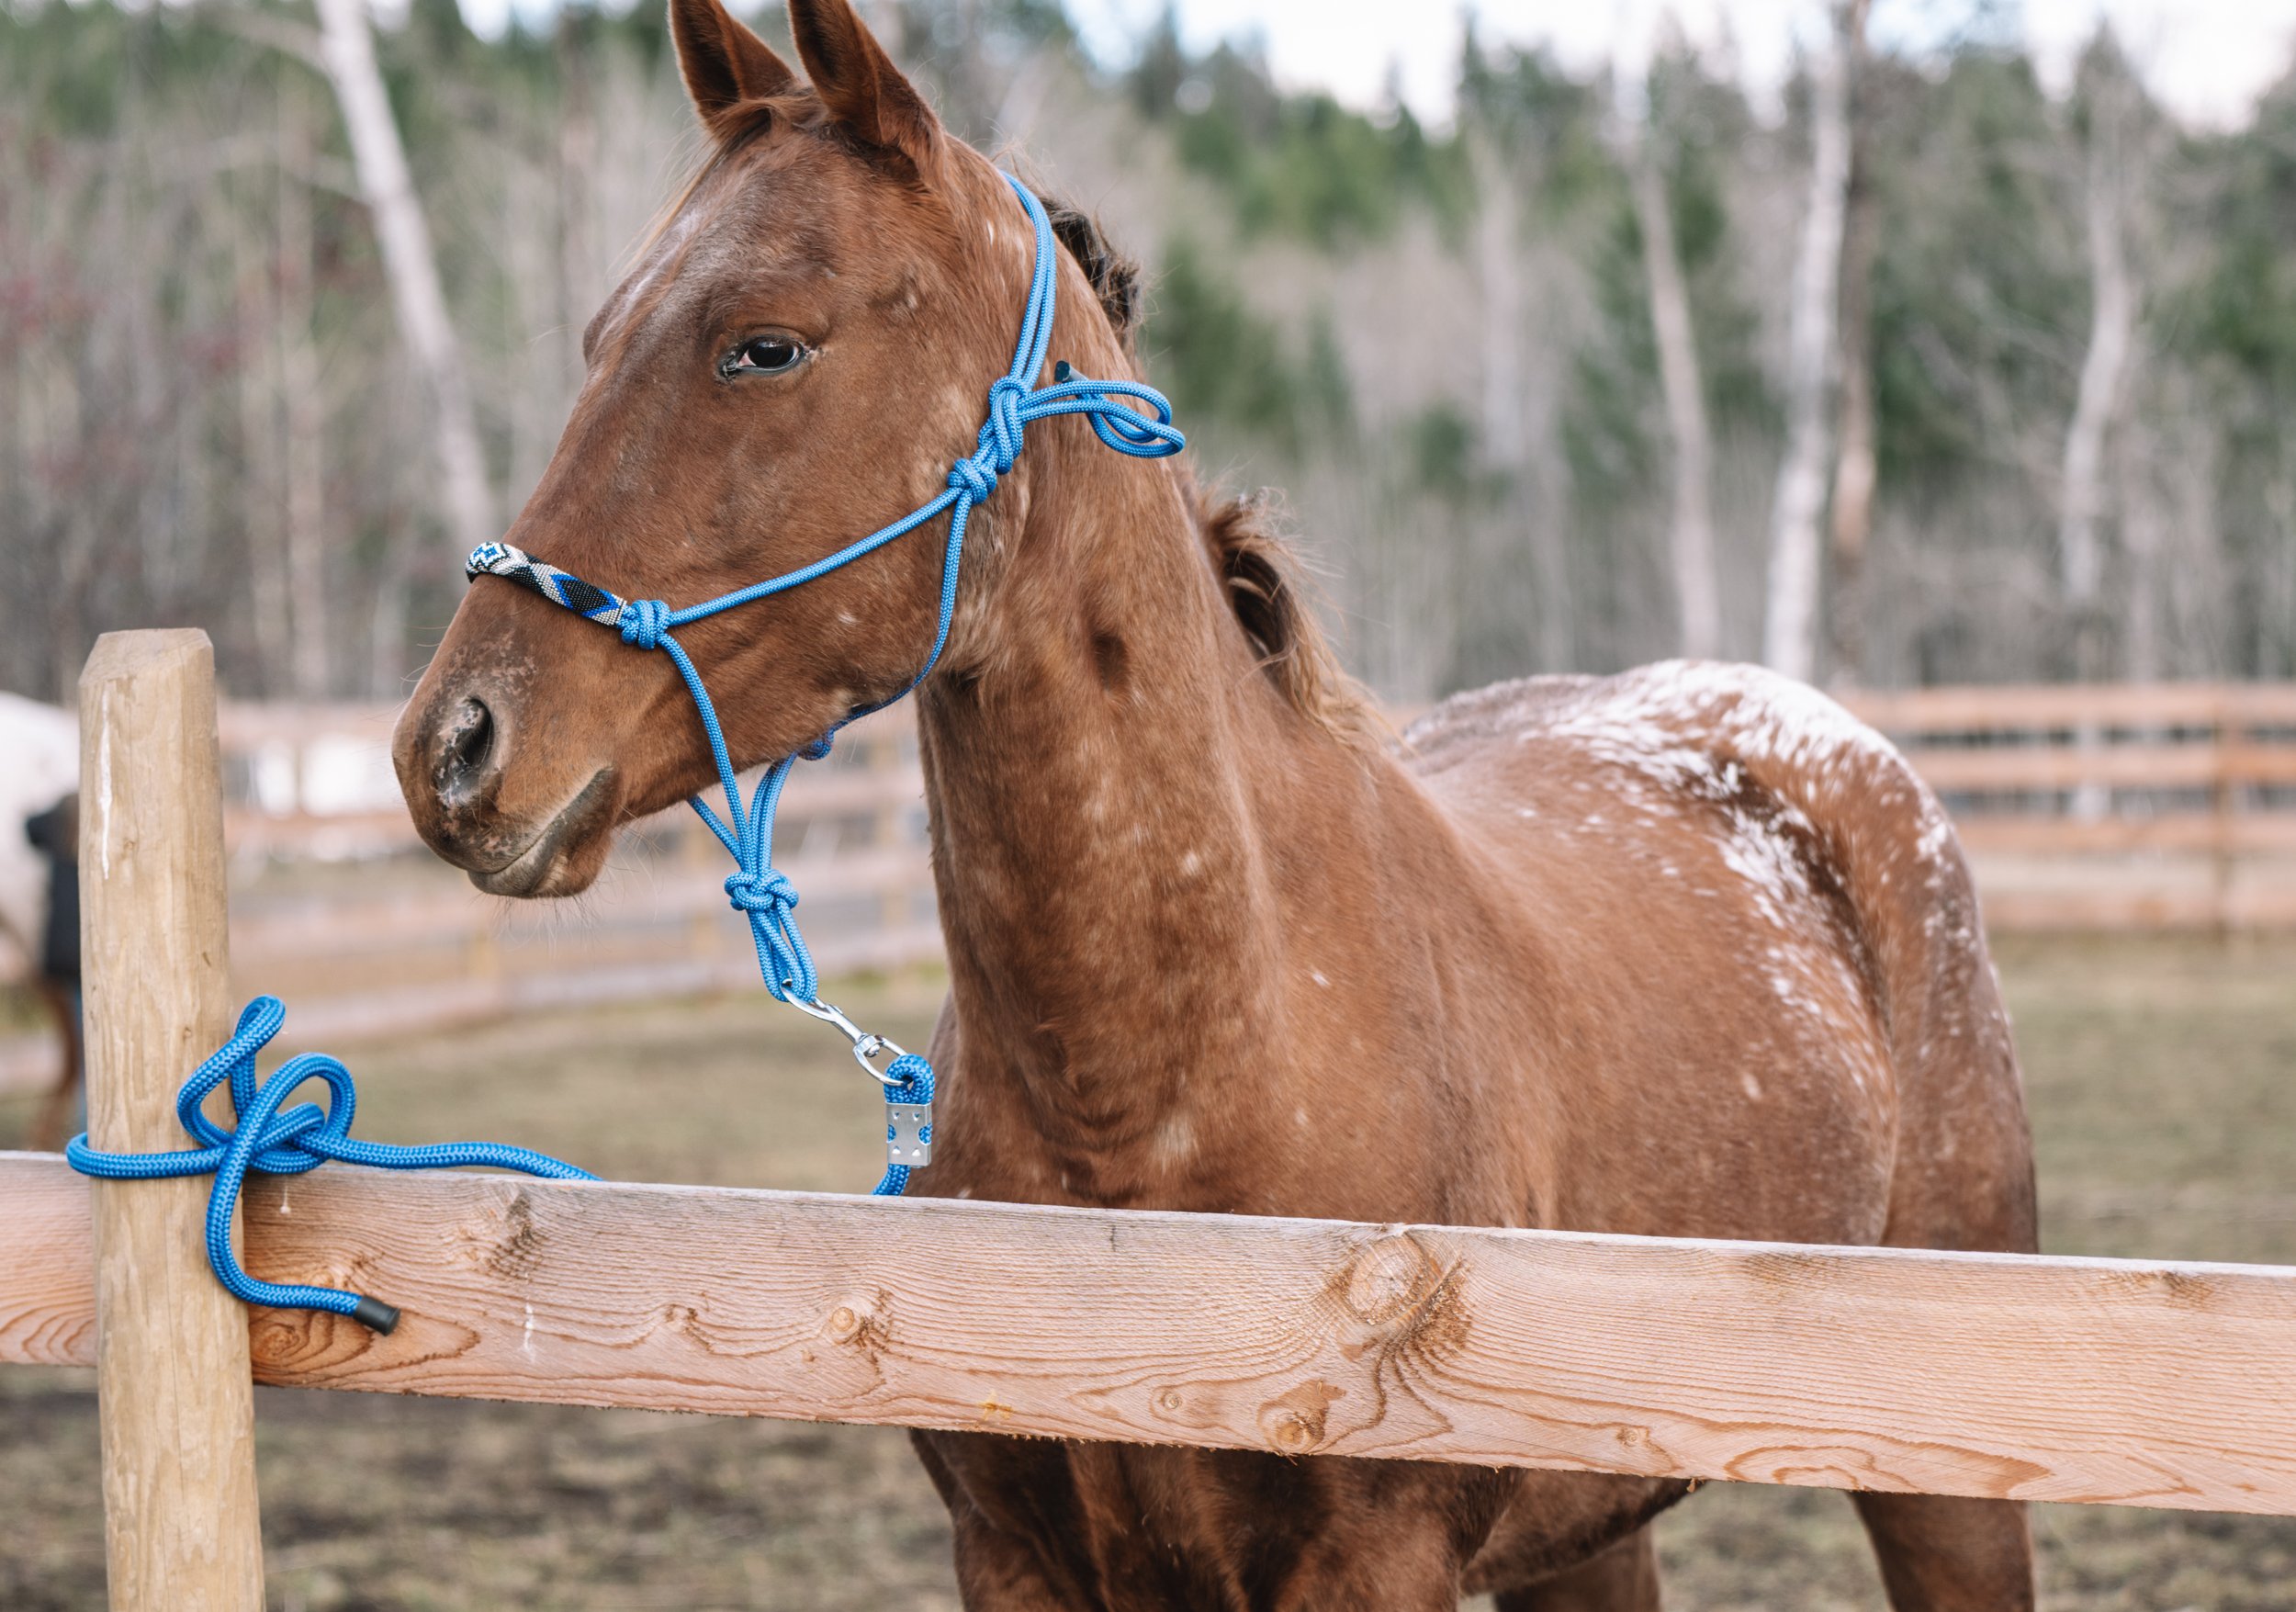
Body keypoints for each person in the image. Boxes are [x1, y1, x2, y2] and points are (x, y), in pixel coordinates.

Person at [23, 794, 81, 1150]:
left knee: (75, 1058)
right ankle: (88, 1135)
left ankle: (70, 1134)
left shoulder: (60, 821)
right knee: (83, 1059)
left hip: (60, 961)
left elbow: (29, 828)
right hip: (80, 963)